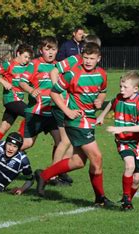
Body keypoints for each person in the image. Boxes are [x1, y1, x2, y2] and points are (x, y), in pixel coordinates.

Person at [34, 43, 113, 207]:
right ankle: (100, 199)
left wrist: (100, 99)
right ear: (81, 57)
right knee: (97, 158)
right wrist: (66, 110)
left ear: (99, 59)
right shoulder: (71, 74)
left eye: (92, 58)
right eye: (86, 58)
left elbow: (103, 90)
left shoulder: (102, 74)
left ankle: (44, 175)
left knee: (78, 161)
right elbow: (54, 93)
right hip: (77, 121)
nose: (88, 61)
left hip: (89, 120)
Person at [48, 35, 102, 186]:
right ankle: (51, 175)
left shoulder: (94, 68)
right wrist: (61, 93)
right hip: (64, 106)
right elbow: (54, 71)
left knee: (71, 143)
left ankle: (58, 172)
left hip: (77, 110)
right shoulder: (75, 60)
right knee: (65, 141)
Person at [96, 71, 139, 211]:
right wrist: (101, 116)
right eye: (121, 86)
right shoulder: (119, 98)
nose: (121, 90)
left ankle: (128, 198)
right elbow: (112, 103)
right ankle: (126, 201)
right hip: (124, 142)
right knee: (129, 166)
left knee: (136, 179)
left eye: (125, 87)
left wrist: (121, 129)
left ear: (135, 89)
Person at [18, 37, 60, 157]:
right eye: (47, 49)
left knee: (61, 142)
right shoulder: (34, 64)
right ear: (41, 50)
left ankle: (55, 173)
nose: (51, 52)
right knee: (27, 143)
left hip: (53, 112)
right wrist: (31, 90)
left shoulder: (59, 66)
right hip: (36, 113)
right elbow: (22, 82)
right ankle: (1, 158)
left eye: (53, 49)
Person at [0, 44, 33, 145]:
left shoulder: (27, 67)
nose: (27, 60)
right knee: (31, 114)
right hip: (11, 99)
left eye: (29, 58)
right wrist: (4, 82)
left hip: (18, 100)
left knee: (4, 126)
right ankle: (19, 143)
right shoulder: (8, 65)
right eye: (25, 57)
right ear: (18, 54)